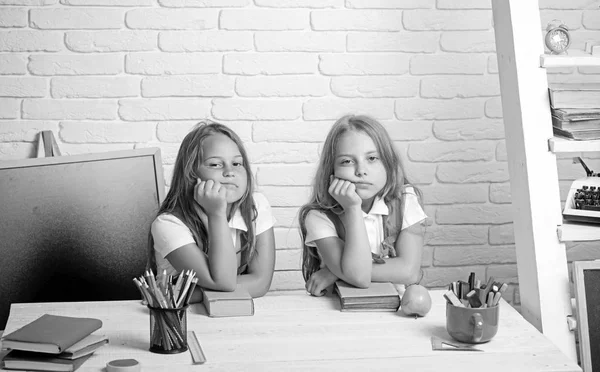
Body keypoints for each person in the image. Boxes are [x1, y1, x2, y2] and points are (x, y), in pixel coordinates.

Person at [299, 115, 428, 296]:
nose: (361, 171)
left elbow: (409, 271)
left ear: (389, 163)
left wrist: (335, 272)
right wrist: (352, 209)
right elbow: (358, 277)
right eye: (347, 161)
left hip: (395, 310)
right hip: (338, 310)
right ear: (332, 170)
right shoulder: (319, 217)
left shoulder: (405, 200)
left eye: (372, 158)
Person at [148, 121, 276, 300]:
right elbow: (224, 281)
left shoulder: (256, 205)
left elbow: (261, 283)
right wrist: (216, 214)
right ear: (191, 174)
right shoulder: (168, 224)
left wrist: (188, 293)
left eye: (237, 163)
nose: (230, 172)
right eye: (215, 165)